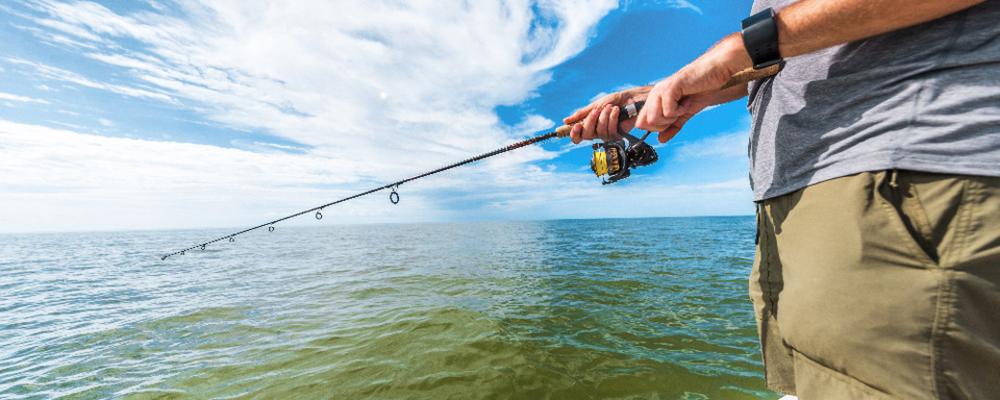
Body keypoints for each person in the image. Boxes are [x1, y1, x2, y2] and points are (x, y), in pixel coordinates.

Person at [563, 0, 1000, 398]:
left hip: (896, 175)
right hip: (791, 202)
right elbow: (789, 55)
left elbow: (767, 45)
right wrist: (651, 95)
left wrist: (741, 47)